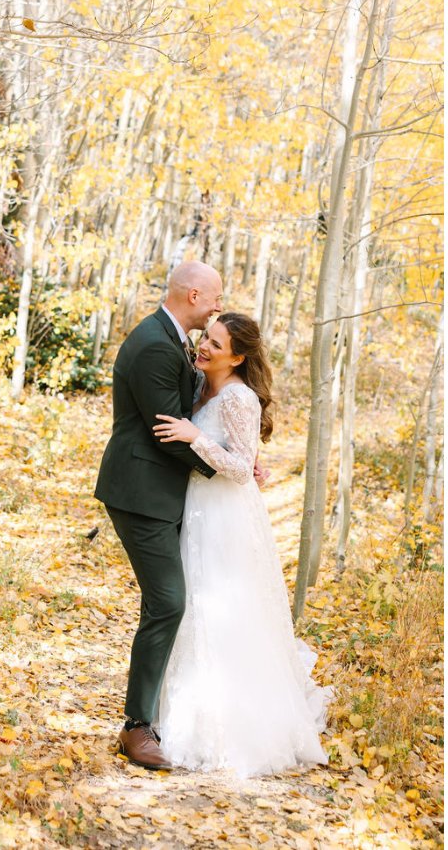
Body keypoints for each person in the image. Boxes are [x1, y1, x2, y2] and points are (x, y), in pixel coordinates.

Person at [151, 312, 331, 777]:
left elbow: (238, 465)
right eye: (205, 337)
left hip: (226, 515)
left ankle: (233, 728)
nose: (205, 347)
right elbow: (245, 458)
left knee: (223, 609)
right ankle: (186, 709)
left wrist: (195, 438)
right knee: (191, 605)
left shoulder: (239, 396)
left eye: (216, 343)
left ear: (238, 356)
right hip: (197, 506)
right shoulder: (199, 384)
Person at [93, 260, 225, 771]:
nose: (219, 305)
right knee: (168, 602)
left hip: (162, 491)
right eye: (214, 297)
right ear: (193, 295)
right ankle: (135, 727)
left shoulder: (168, 339)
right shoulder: (153, 345)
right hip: (141, 489)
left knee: (170, 601)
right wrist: (228, 467)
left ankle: (160, 711)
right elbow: (167, 432)